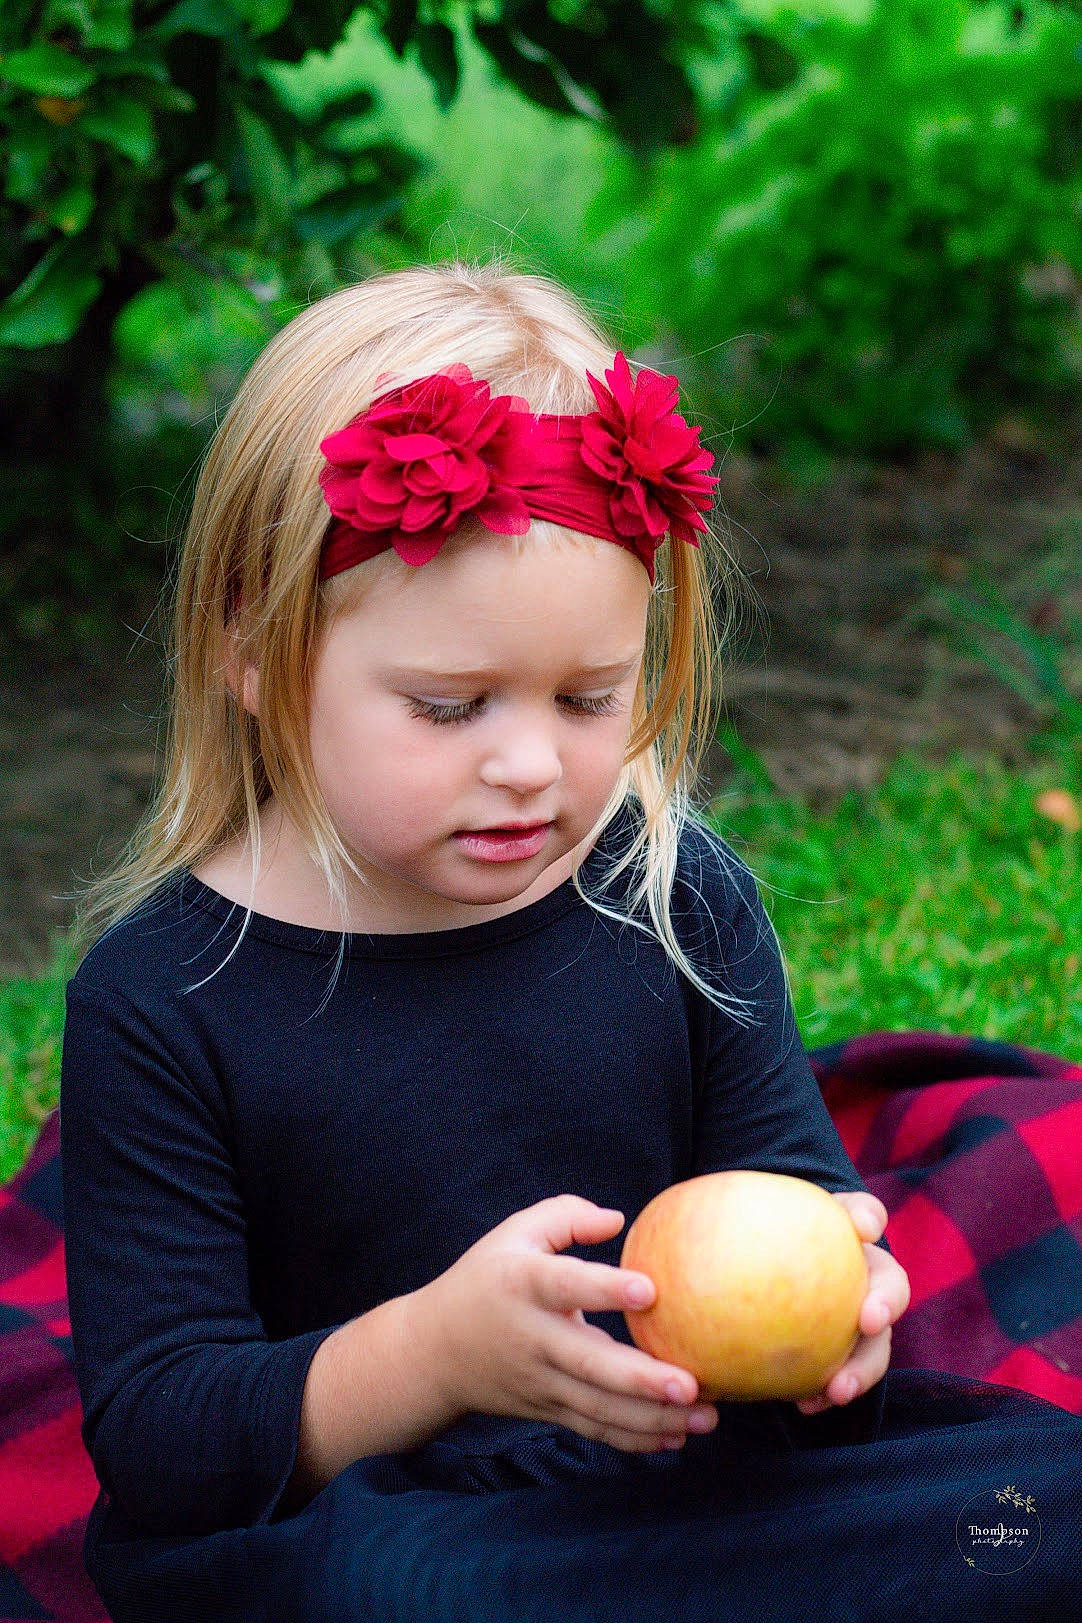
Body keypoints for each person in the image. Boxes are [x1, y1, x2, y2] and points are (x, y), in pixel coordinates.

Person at [59, 258, 1080, 1623]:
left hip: (691, 1472)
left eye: (589, 696)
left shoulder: (669, 896)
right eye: (448, 706)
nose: (531, 765)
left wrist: (849, 1290)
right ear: (254, 647)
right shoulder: (165, 998)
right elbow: (164, 1440)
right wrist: (437, 1355)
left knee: (1026, 1502)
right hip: (398, 1517)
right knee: (402, 1594)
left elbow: (786, 1179)